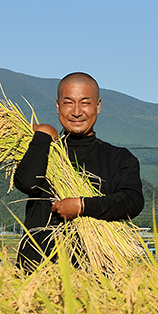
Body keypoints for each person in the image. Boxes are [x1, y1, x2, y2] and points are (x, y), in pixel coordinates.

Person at [14, 72, 144, 271]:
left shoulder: (119, 158)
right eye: (68, 103)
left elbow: (132, 202)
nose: (76, 112)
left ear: (98, 106)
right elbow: (27, 183)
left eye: (85, 103)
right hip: (36, 272)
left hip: (96, 275)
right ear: (58, 106)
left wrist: (83, 206)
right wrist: (43, 135)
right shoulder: (43, 150)